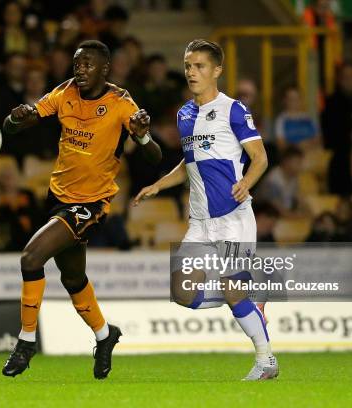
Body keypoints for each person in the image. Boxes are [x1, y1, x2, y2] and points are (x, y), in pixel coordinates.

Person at [1, 40, 161, 380]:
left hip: (90, 204)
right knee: (73, 279)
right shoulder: (64, 92)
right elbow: (14, 127)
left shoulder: (120, 103)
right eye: (77, 63)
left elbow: (155, 157)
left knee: (31, 259)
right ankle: (105, 335)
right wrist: (16, 119)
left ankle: (25, 342)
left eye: (88, 64)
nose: (80, 69)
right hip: (58, 197)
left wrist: (144, 138)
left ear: (105, 68)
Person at [134, 39, 277, 381]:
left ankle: (266, 360)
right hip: (200, 222)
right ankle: (247, 300)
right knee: (182, 292)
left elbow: (260, 158)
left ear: (217, 71)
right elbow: (189, 163)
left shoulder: (234, 110)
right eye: (187, 66)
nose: (192, 72)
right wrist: (159, 184)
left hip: (233, 218)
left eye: (199, 66)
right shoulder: (185, 113)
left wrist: (247, 183)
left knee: (232, 290)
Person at [256, 146, 308, 217]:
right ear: (286, 161)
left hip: (284, 216)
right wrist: (296, 216)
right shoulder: (273, 180)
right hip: (266, 217)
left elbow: (298, 200)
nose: (300, 166)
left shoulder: (294, 179)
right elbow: (277, 208)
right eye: (297, 162)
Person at [274, 87, 321, 152]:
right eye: (291, 99)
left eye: (297, 98)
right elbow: (281, 144)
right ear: (285, 100)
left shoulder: (308, 119)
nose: (294, 102)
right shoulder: (281, 120)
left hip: (311, 156)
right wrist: (298, 146)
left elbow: (318, 140)